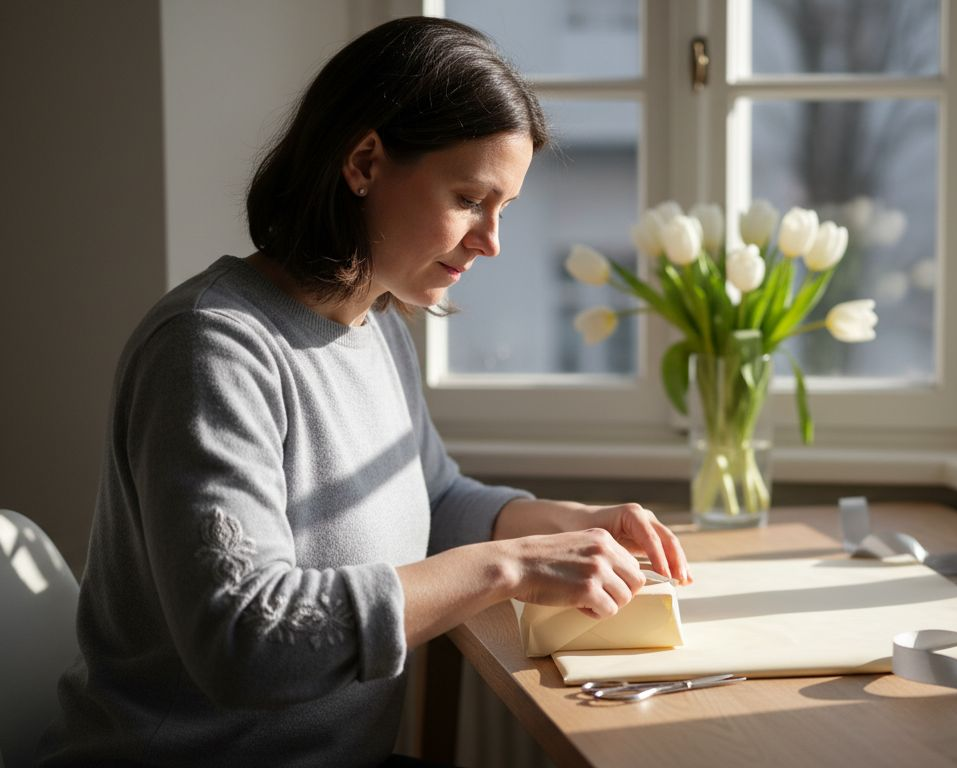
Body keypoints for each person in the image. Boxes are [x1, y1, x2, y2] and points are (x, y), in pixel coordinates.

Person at [39, 16, 688, 767]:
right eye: (470, 198)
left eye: (503, 209)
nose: (492, 241)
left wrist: (567, 523)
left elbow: (434, 499)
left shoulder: (376, 327)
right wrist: (510, 566)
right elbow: (246, 642)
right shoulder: (208, 346)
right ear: (364, 162)